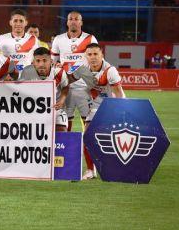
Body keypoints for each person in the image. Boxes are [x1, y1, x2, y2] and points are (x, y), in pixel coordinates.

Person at [68, 43, 125, 179]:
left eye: (96, 54)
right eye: (90, 54)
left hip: (114, 103)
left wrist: (121, 113)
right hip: (96, 104)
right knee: (87, 135)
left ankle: (120, 167)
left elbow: (119, 94)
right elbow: (68, 80)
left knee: (115, 138)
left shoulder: (110, 71)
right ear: (85, 56)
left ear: (102, 55)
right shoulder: (82, 68)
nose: (93, 57)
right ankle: (90, 170)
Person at [51, 11, 98, 132]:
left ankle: (86, 148)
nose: (73, 21)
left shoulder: (90, 38)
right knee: (65, 121)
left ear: (81, 22)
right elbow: (52, 62)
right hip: (65, 88)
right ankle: (66, 149)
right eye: (70, 19)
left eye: (76, 19)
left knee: (88, 121)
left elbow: (96, 60)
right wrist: (56, 65)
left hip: (84, 87)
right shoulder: (58, 39)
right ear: (67, 22)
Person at [20, 47, 69, 132]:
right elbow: (20, 90)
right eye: (38, 61)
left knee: (62, 129)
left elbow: (65, 87)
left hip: (54, 108)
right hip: (33, 109)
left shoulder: (59, 72)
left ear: (51, 61)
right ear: (33, 62)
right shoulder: (27, 71)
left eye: (44, 60)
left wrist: (61, 101)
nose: (41, 64)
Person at [0, 9, 40, 73]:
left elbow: (38, 59)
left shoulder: (33, 39)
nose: (18, 24)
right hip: (6, 77)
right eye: (15, 21)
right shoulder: (1, 39)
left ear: (26, 23)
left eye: (21, 21)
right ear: (10, 22)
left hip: (26, 77)